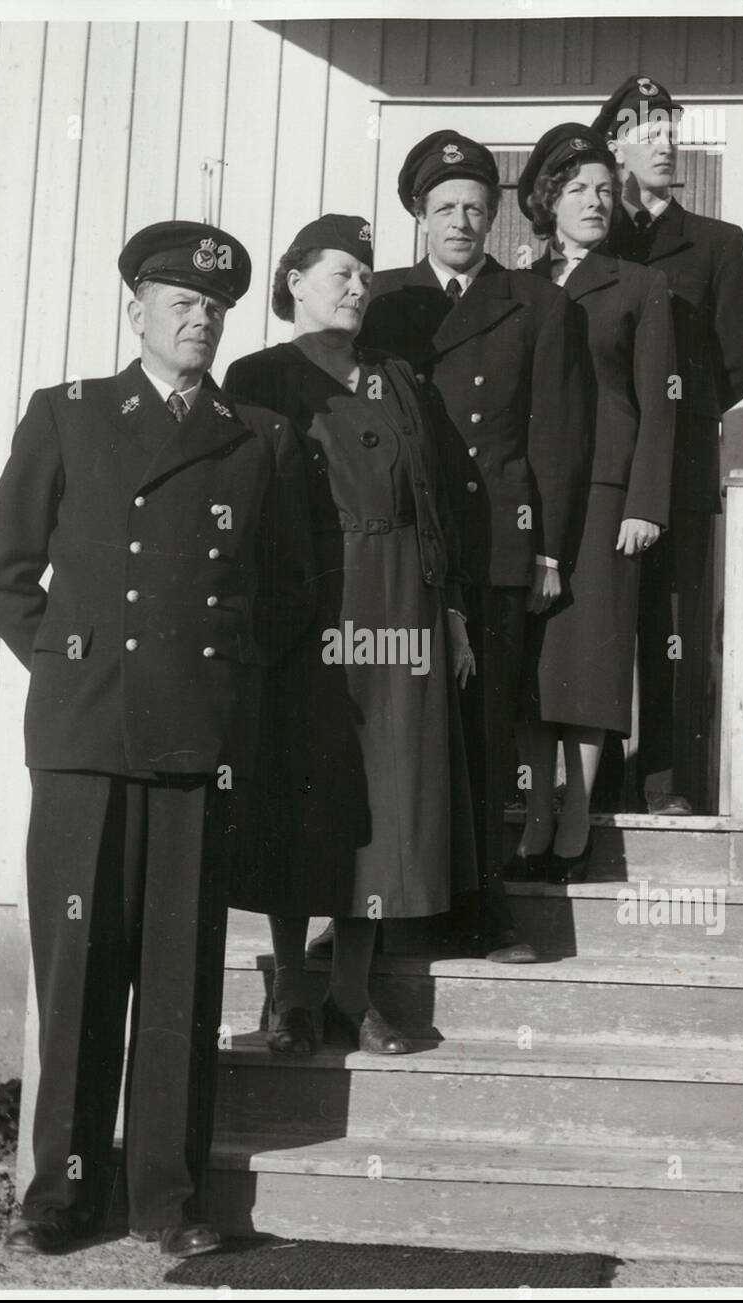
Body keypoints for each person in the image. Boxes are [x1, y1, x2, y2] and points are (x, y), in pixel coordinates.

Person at [0, 221, 315, 1257]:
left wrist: (214, 689)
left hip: (191, 745)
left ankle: (169, 1200)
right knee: (77, 967)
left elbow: (285, 595)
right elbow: (1, 567)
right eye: (178, 301)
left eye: (213, 305)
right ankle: (63, 1198)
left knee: (179, 976)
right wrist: (78, 664)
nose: (198, 317)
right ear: (137, 309)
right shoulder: (69, 414)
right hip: (81, 740)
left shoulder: (254, 435)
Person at [225, 213, 477, 1056]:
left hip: (403, 604)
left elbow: (432, 501)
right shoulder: (258, 374)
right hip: (312, 608)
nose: (357, 288)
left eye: (365, 275)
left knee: (391, 796)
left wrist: (448, 613)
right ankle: (288, 994)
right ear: (294, 282)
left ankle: (351, 992)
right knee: (306, 791)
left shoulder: (398, 377)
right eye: (339, 273)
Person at [355, 130, 588, 960]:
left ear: (496, 221)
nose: (461, 221)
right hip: (396, 548)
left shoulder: (538, 302)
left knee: (485, 733)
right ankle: (385, 916)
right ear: (419, 215)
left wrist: (549, 552)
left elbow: (557, 437)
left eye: (476, 210)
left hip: (494, 542)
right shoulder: (376, 299)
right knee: (398, 731)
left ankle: (484, 909)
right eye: (445, 208)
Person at [591, 75, 743, 814]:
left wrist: (669, 423)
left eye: (670, 132)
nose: (663, 145)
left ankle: (663, 783)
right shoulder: (593, 237)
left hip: (680, 467)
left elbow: (734, 363)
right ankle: (584, 788)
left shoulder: (717, 244)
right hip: (597, 467)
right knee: (592, 620)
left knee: (669, 631)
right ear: (614, 148)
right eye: (646, 133)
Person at [512, 124, 676, 882]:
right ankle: (537, 804)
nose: (594, 201)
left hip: (608, 493)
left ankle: (575, 808)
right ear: (547, 200)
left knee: (591, 651)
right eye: (577, 189)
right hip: (535, 490)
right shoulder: (519, 279)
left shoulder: (638, 285)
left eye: (606, 191)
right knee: (535, 654)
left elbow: (656, 402)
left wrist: (645, 501)